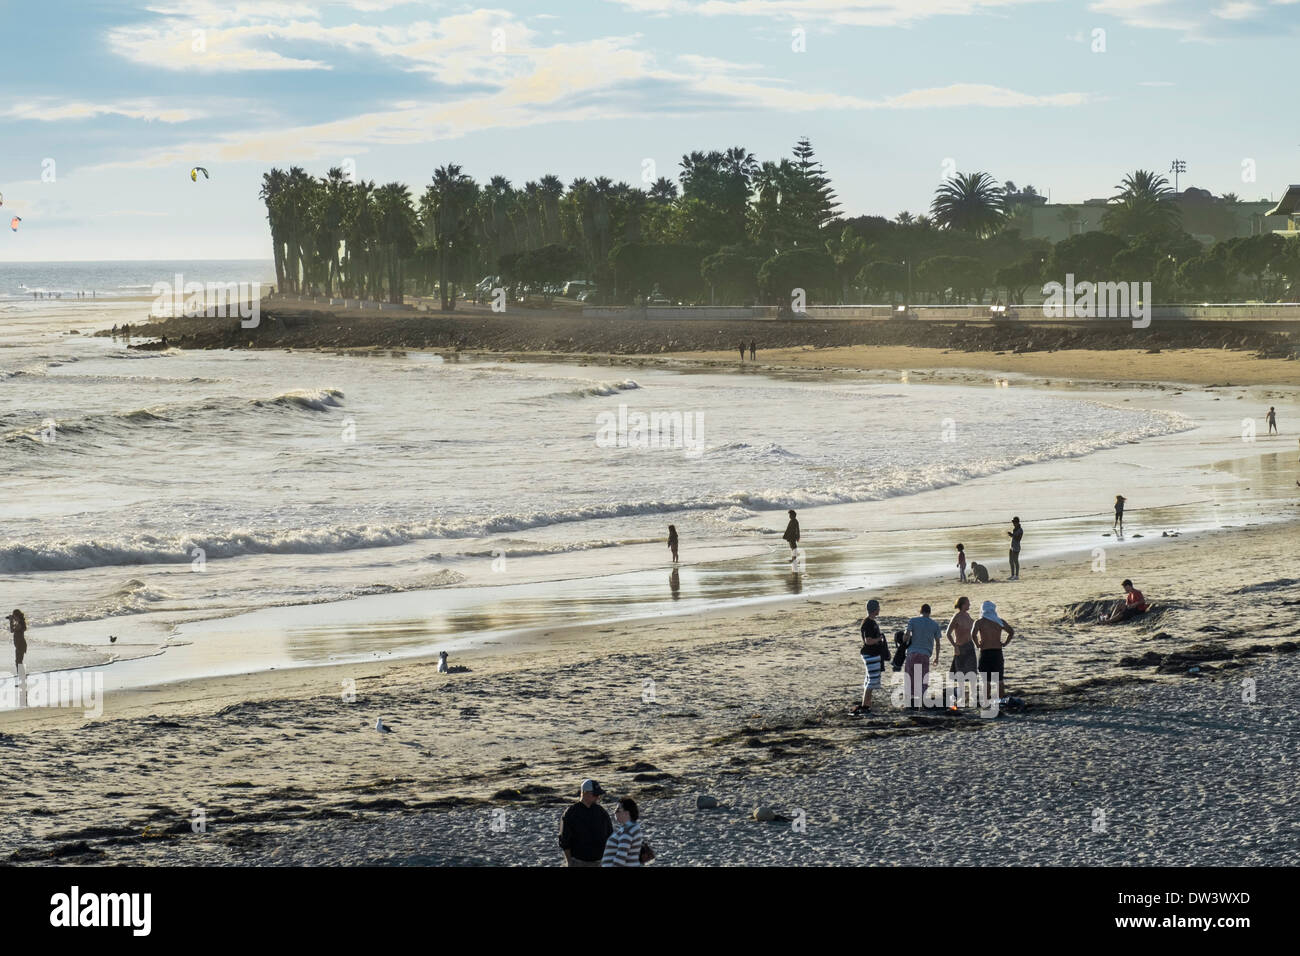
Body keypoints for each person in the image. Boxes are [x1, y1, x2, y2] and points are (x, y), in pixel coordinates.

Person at [559, 779, 613, 867]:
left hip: (599, 862)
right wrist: (569, 862)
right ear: (584, 793)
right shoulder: (571, 813)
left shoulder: (601, 812)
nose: (598, 797)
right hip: (578, 862)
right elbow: (564, 841)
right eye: (595, 794)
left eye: (598, 794)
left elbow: (610, 836)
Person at [972, 601, 1014, 702]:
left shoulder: (979, 622)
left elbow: (973, 634)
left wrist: (977, 644)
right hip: (997, 652)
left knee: (986, 679)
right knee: (999, 678)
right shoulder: (999, 621)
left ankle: (986, 700)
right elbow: (1011, 632)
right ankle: (1001, 699)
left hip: (985, 652)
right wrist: (1005, 643)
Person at [903, 604, 942, 710]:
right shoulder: (935, 625)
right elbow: (938, 643)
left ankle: (908, 703)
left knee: (909, 678)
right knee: (922, 680)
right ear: (929, 612)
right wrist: (937, 657)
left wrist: (904, 639)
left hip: (912, 653)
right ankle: (921, 703)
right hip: (925, 655)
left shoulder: (913, 621)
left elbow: (906, 636)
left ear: (920, 611)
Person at [852, 598, 888, 714]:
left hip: (871, 654)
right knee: (871, 681)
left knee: (869, 680)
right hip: (871, 654)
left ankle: (866, 704)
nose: (879, 609)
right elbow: (868, 641)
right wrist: (879, 639)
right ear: (874, 609)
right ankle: (865, 705)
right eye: (878, 607)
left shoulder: (870, 622)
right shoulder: (868, 623)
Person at [945, 597, 977, 709]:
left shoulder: (968, 616)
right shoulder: (957, 617)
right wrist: (955, 646)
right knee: (961, 675)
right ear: (963, 604)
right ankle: (961, 698)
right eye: (968, 603)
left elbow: (975, 628)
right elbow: (948, 633)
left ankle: (973, 697)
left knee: (972, 673)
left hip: (970, 647)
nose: (970, 604)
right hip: (960, 647)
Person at [601, 797, 645, 867]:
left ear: (627, 813)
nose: (615, 812)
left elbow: (620, 860)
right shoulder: (633, 828)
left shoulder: (627, 832)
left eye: (618, 810)